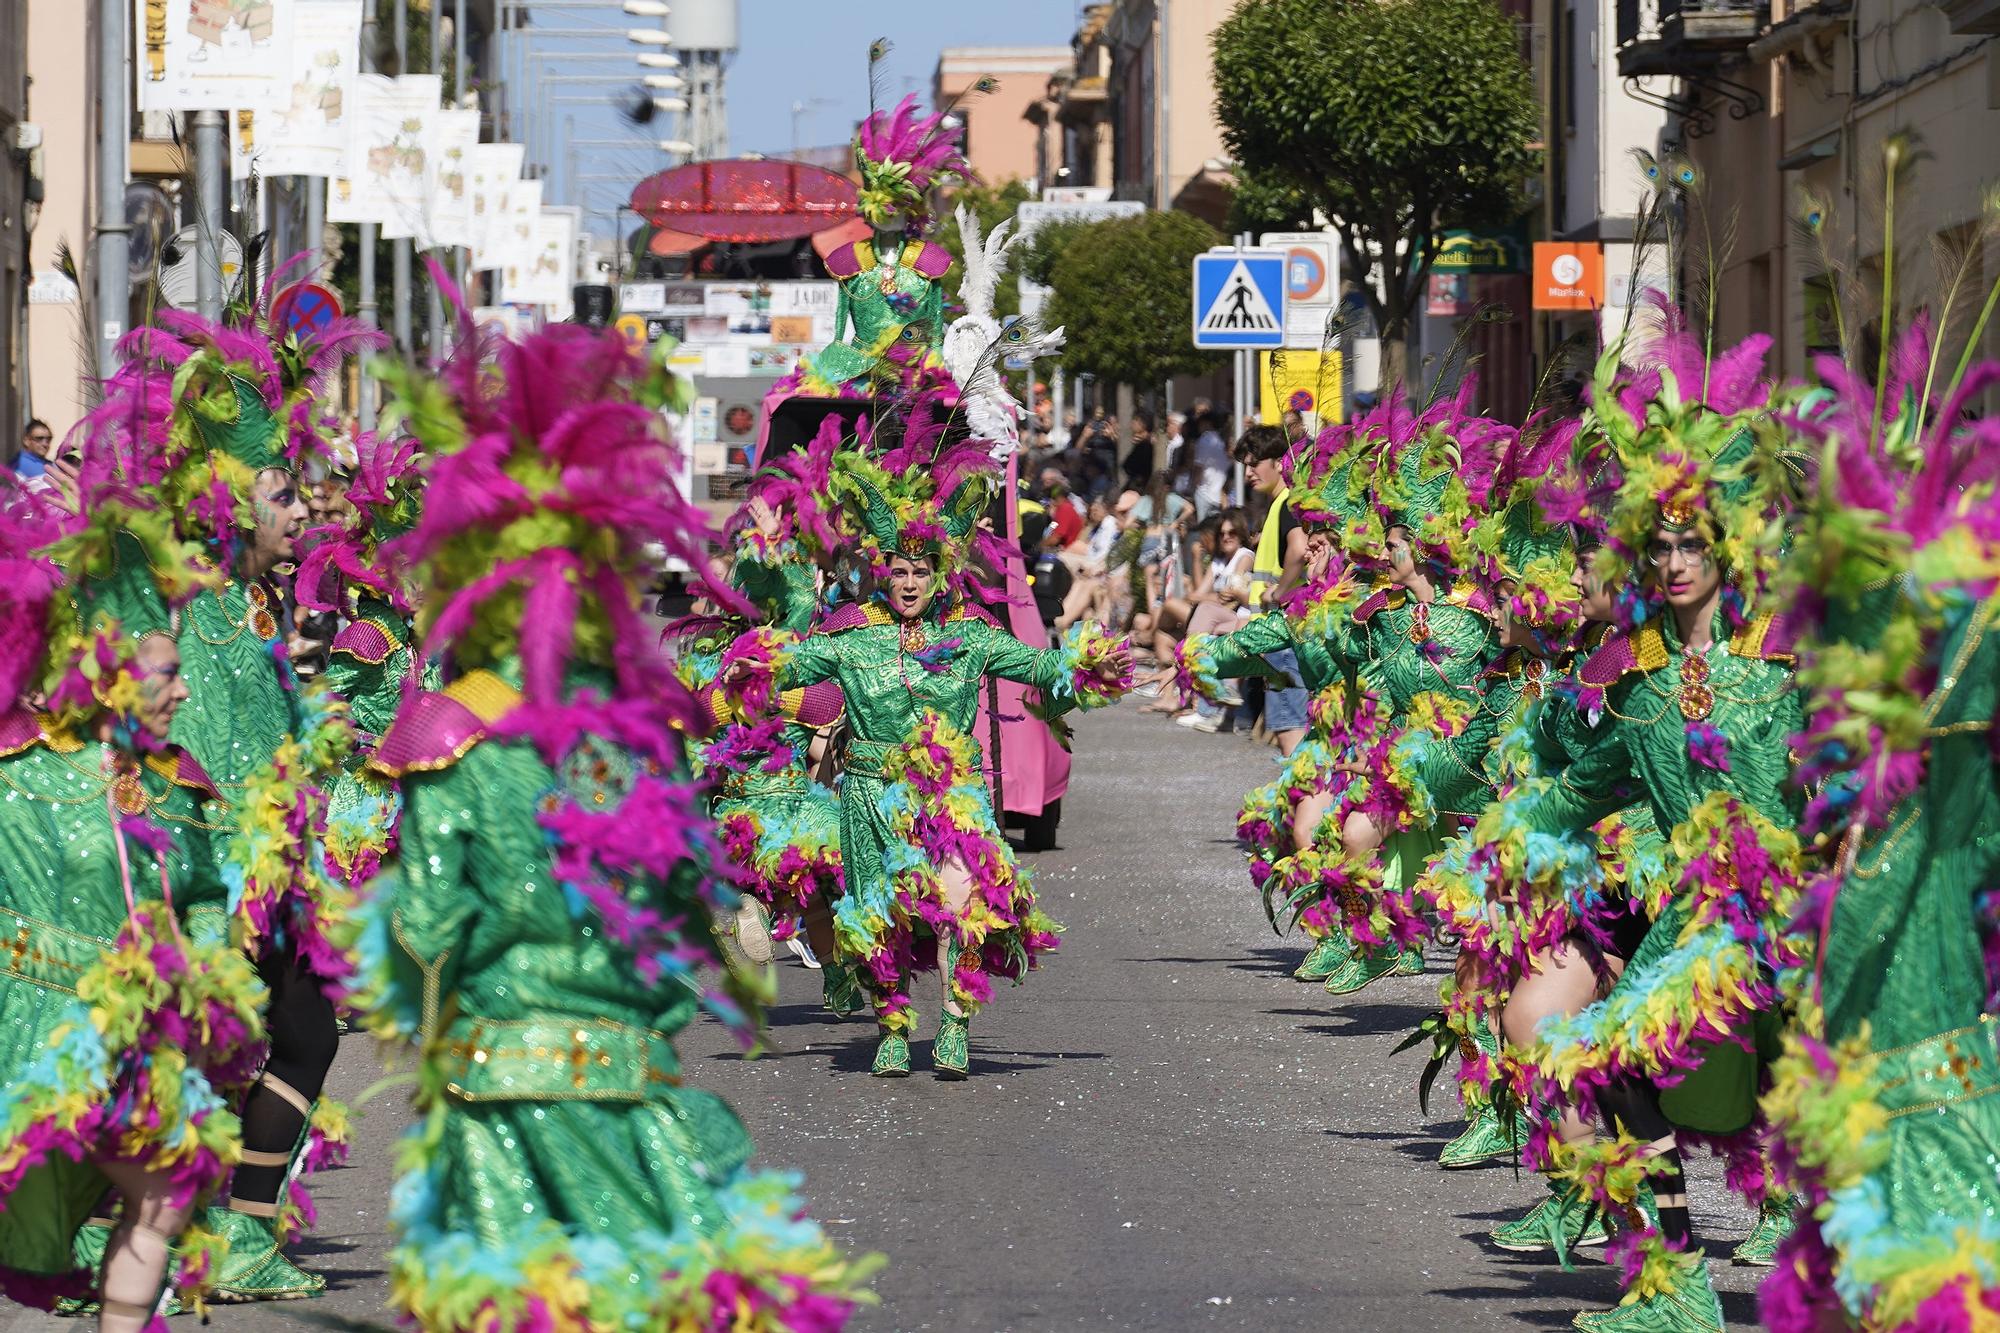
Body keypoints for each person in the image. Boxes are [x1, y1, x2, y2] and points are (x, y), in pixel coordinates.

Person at [356, 322, 875, 1330]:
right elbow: (682, 899)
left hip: (494, 1092)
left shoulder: (447, 737)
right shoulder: (639, 729)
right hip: (631, 1081)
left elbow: (418, 932)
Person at [724, 428, 1132, 1079]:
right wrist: (744, 668)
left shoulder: (971, 638)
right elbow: (790, 665)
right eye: (899, 570)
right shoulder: (852, 638)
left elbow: (1038, 665)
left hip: (948, 796)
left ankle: (954, 1023)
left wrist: (1090, 666)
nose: (909, 581)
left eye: (921, 570)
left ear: (940, 574)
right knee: (880, 917)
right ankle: (891, 1025)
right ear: (884, 571)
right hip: (867, 798)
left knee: (958, 902)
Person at [0, 445, 265, 1324]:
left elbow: (196, 889)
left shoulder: (174, 780)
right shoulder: (17, 768)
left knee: (166, 1185)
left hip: (125, 1029)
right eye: (166, 673)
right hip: (20, 1018)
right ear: (110, 671)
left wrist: (213, 955)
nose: (184, 692)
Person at [1237, 425, 1311, 756]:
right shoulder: (1282, 502)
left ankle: (1305, 805)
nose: (1249, 473)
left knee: (1290, 735)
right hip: (1280, 637)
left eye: (1255, 464)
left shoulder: (1286, 502)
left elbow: (1299, 549)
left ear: (1280, 463)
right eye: (1245, 466)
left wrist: (1279, 592)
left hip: (1285, 638)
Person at [1190, 409, 1233, 520]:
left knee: (1203, 527)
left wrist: (1193, 486)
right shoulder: (1221, 442)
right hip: (1220, 494)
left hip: (1204, 491)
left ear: (1206, 423)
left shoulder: (1204, 440)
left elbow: (1198, 466)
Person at [1121, 411, 1157, 491]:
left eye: (1136, 420)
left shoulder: (1148, 444)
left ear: (1144, 424)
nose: (1132, 423)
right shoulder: (1139, 443)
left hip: (1142, 487)